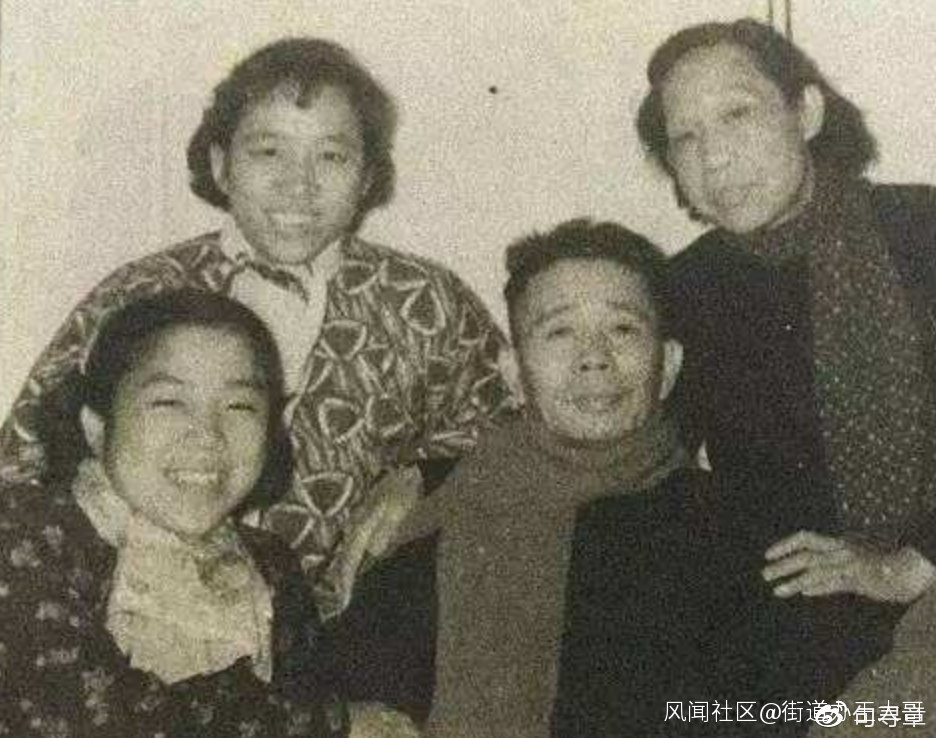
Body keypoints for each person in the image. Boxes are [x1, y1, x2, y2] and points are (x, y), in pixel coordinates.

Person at [0, 37, 511, 611]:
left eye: (331, 156)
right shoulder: (141, 293)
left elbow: (516, 430)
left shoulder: (423, 301)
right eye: (269, 152)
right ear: (221, 165)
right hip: (139, 629)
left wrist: (427, 476)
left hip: (343, 637)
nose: (300, 184)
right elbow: (21, 466)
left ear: (368, 176)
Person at [336, 219, 803, 737]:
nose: (594, 359)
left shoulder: (739, 532)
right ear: (513, 374)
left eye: (623, 329)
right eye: (560, 332)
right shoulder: (434, 522)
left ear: (669, 366)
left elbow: (788, 714)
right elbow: (345, 695)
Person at [636, 17, 936, 697]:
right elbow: (626, 451)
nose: (715, 158)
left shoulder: (923, 230)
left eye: (737, 114)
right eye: (685, 138)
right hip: (799, 624)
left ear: (807, 112)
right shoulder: (683, 291)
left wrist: (914, 564)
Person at [0, 292, 349, 737]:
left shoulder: (271, 567)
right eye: (169, 402)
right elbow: (90, 719)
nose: (207, 434)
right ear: (97, 427)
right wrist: (329, 722)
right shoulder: (26, 533)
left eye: (239, 406)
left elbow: (311, 694)